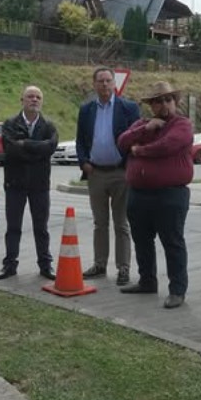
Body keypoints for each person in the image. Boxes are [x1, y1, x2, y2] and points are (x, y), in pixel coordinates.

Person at [117, 82, 193, 309]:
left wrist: (140, 150)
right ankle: (147, 280)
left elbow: (168, 146)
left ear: (175, 102)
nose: (164, 105)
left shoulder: (182, 124)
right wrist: (145, 130)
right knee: (142, 241)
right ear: (151, 105)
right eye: (158, 101)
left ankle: (177, 290)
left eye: (168, 100)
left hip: (170, 194)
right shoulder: (142, 124)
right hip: (139, 193)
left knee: (172, 242)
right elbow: (122, 142)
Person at [76, 67, 140, 285]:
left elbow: (136, 137)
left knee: (121, 224)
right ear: (94, 84)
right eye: (100, 81)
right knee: (99, 223)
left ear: (114, 84)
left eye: (108, 80)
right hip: (96, 173)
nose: (104, 84)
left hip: (120, 172)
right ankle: (100, 264)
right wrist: (83, 162)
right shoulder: (86, 110)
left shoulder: (129, 108)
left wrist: (130, 166)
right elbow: (80, 140)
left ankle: (123, 268)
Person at [0, 85, 59, 281]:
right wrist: (36, 150)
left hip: (40, 185)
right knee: (13, 227)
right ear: (22, 100)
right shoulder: (10, 124)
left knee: (42, 227)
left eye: (38, 97)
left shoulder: (49, 126)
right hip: (15, 183)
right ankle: (9, 265)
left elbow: (51, 147)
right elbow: (12, 149)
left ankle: (45, 266)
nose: (34, 100)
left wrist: (26, 145)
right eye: (30, 96)